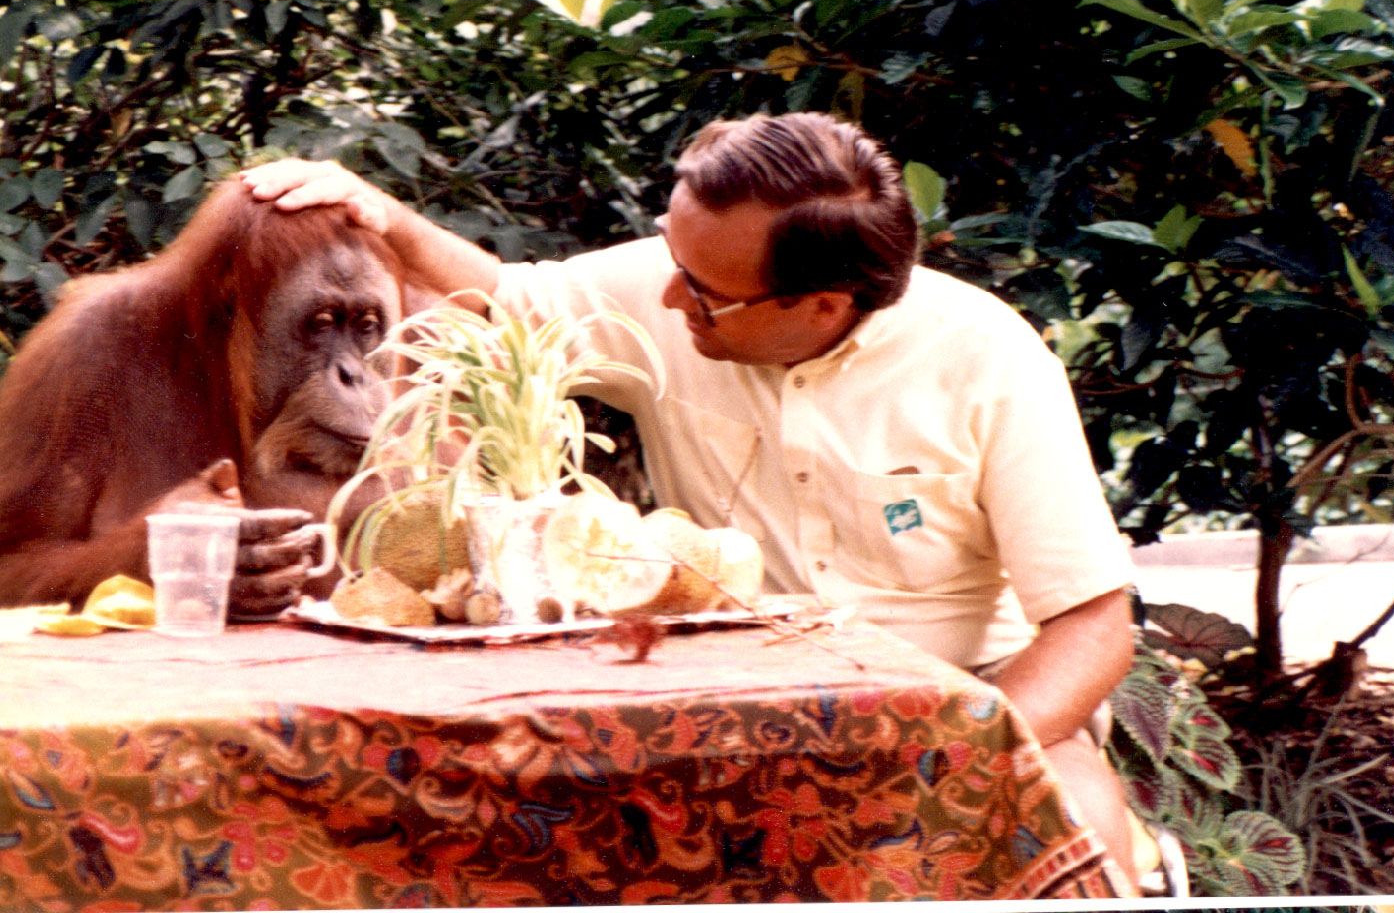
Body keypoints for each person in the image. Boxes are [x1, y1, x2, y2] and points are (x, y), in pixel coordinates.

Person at [241, 111, 1140, 885]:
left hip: (964, 696)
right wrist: (381, 213)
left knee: (1076, 842)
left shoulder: (986, 359)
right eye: (672, 259)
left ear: (823, 306)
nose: (667, 298)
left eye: (703, 293)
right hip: (728, 704)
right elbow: (504, 301)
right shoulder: (684, 283)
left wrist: (959, 754)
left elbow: (1091, 626)